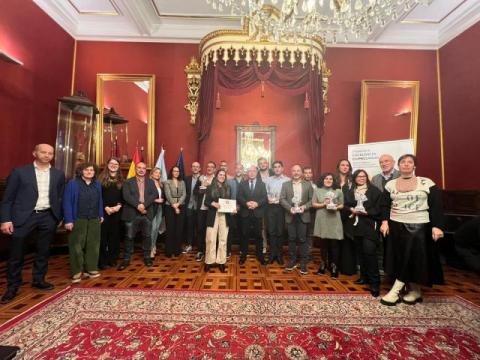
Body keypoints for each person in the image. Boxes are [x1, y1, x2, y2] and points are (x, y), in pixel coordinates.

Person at [0, 144, 65, 304]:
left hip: (48, 216)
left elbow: (59, 196)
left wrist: (58, 216)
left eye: (50, 153)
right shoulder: (20, 172)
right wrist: (5, 220)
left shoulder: (58, 174)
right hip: (23, 217)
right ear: (34, 153)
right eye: (43, 152)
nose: (47, 155)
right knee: (16, 253)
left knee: (43, 251)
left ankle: (39, 280)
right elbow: (7, 199)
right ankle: (13, 286)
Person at [380, 154, 445, 306]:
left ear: (414, 166)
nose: (406, 165)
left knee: (409, 257)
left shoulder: (427, 183)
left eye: (410, 162)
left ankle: (394, 292)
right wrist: (384, 222)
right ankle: (415, 291)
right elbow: (384, 205)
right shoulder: (390, 184)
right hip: (395, 225)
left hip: (419, 227)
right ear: (399, 165)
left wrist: (437, 226)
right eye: (403, 162)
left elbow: (436, 206)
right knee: (403, 258)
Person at [344, 169, 383, 297]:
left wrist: (366, 212)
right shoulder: (351, 191)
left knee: (369, 253)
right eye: (358, 176)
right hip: (356, 227)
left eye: (363, 176)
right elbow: (345, 205)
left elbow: (379, 209)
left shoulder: (374, 191)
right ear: (355, 178)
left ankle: (375, 283)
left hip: (370, 226)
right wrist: (351, 209)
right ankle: (364, 278)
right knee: (360, 253)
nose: (361, 178)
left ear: (367, 177)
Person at [63, 162, 104, 283]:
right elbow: (67, 203)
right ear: (81, 171)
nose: (89, 172)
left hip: (94, 218)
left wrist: (101, 214)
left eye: (91, 170)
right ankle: (77, 271)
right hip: (78, 218)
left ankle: (91, 268)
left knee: (93, 245)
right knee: (76, 245)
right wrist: (68, 220)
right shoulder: (73, 184)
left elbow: (100, 200)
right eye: (86, 170)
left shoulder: (97, 184)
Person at [118, 162, 158, 270]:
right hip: (132, 213)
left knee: (147, 236)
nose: (141, 170)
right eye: (139, 168)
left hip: (146, 213)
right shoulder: (128, 182)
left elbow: (154, 194)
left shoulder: (150, 182)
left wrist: (144, 205)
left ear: (146, 170)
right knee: (129, 237)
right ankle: (126, 259)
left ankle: (147, 257)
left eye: (144, 168)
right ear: (136, 169)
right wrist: (138, 205)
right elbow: (126, 196)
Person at [280, 164, 314, 275]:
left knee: (302, 239)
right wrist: (290, 208)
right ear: (291, 172)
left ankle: (303, 262)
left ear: (301, 172)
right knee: (291, 239)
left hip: (303, 215)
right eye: (294, 170)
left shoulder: (308, 185)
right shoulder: (285, 185)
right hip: (291, 215)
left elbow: (311, 200)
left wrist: (304, 207)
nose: (296, 172)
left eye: (298, 170)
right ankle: (292, 260)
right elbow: (282, 199)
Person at [371, 154, 400, 274]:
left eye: (386, 161)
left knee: (393, 243)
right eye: (381, 162)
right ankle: (380, 267)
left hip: (395, 214)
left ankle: (392, 268)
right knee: (378, 241)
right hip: (378, 215)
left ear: (393, 162)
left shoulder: (400, 176)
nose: (384, 164)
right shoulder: (375, 178)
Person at [312, 172, 344, 278]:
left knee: (334, 244)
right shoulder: (317, 190)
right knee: (323, 244)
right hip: (322, 218)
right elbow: (314, 204)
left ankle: (334, 266)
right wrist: (323, 204)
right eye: (326, 178)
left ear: (333, 181)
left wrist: (335, 207)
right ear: (322, 180)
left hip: (334, 218)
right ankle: (323, 264)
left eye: (331, 179)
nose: (328, 180)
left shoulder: (338, 191)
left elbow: (342, 205)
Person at [237, 165, 268, 265]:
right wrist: (246, 203)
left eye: (253, 171)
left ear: (256, 172)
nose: (251, 173)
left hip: (257, 213)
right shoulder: (242, 184)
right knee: (244, 235)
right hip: (245, 213)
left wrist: (257, 204)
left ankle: (260, 256)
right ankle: (243, 255)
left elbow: (264, 198)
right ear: (247, 173)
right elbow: (239, 196)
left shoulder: (262, 184)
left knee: (258, 236)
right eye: (249, 171)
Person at [204, 169, 233, 272]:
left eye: (224, 175)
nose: (222, 176)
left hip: (225, 216)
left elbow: (229, 202)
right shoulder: (210, 187)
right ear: (216, 176)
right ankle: (209, 261)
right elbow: (206, 202)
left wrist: (232, 209)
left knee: (223, 239)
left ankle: (221, 261)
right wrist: (213, 204)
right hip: (213, 214)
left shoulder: (228, 188)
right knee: (210, 239)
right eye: (220, 174)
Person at [98, 158, 123, 269]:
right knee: (103, 237)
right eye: (111, 163)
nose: (113, 165)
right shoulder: (100, 179)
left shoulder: (122, 180)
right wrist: (105, 207)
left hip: (117, 211)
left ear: (118, 166)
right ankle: (102, 261)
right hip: (104, 212)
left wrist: (118, 206)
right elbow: (98, 196)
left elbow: (124, 196)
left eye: (116, 164)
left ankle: (113, 259)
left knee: (115, 236)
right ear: (107, 165)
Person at [265, 161, 290, 265]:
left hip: (282, 208)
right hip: (270, 207)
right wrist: (268, 199)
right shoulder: (268, 180)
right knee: (271, 231)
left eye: (279, 167)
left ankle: (279, 255)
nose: (277, 169)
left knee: (280, 232)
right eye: (275, 167)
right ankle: (272, 255)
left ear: (282, 168)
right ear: (273, 169)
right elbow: (266, 193)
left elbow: (289, 194)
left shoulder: (288, 180)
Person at [335, 159, 357, 276]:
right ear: (338, 167)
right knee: (336, 241)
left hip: (349, 214)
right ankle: (334, 266)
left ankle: (347, 268)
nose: (344, 167)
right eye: (342, 165)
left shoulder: (353, 181)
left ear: (349, 168)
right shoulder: (333, 180)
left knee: (347, 241)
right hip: (334, 214)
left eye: (347, 165)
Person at [195, 161, 216, 261]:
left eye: (211, 167)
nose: (209, 168)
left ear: (214, 169)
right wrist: (202, 186)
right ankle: (200, 251)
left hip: (212, 209)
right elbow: (195, 192)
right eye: (208, 166)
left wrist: (208, 186)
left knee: (211, 231)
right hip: (202, 209)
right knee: (200, 230)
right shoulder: (201, 179)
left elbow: (218, 194)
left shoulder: (217, 180)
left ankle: (210, 251)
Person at [163, 166, 186, 257]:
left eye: (178, 171)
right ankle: (169, 251)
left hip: (181, 206)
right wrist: (174, 205)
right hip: (169, 207)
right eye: (174, 171)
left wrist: (178, 204)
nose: (176, 172)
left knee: (179, 229)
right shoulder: (167, 182)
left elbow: (184, 194)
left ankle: (177, 250)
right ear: (171, 172)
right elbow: (168, 195)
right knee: (170, 229)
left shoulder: (182, 182)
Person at [227, 162, 244, 256]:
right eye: (236, 168)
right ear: (234, 170)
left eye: (240, 168)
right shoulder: (230, 181)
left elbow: (248, 196)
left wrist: (239, 206)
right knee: (230, 230)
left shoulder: (246, 181)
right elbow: (227, 195)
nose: (238, 170)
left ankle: (242, 250)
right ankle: (228, 250)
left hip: (243, 210)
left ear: (243, 170)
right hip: (232, 210)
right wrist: (232, 206)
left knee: (243, 230)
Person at [183, 161, 201, 254]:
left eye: (197, 167)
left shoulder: (203, 179)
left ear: (200, 168)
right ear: (191, 168)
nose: (195, 168)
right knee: (189, 227)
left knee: (199, 227)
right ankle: (189, 245)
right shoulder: (186, 179)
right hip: (189, 206)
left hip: (200, 207)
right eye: (193, 166)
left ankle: (199, 247)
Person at [257, 157, 273, 255]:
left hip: (273, 204)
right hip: (261, 204)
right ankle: (264, 246)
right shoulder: (256, 174)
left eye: (264, 163)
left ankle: (272, 247)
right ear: (258, 165)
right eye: (260, 163)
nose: (263, 165)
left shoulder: (273, 173)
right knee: (262, 227)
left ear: (267, 164)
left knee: (271, 226)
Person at [150, 167, 165, 258]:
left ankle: (154, 245)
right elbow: (145, 197)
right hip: (151, 208)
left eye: (159, 173)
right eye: (156, 172)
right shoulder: (149, 183)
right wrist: (155, 200)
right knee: (152, 228)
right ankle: (150, 248)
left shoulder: (160, 184)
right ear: (152, 173)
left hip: (159, 208)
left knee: (156, 229)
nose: (158, 174)